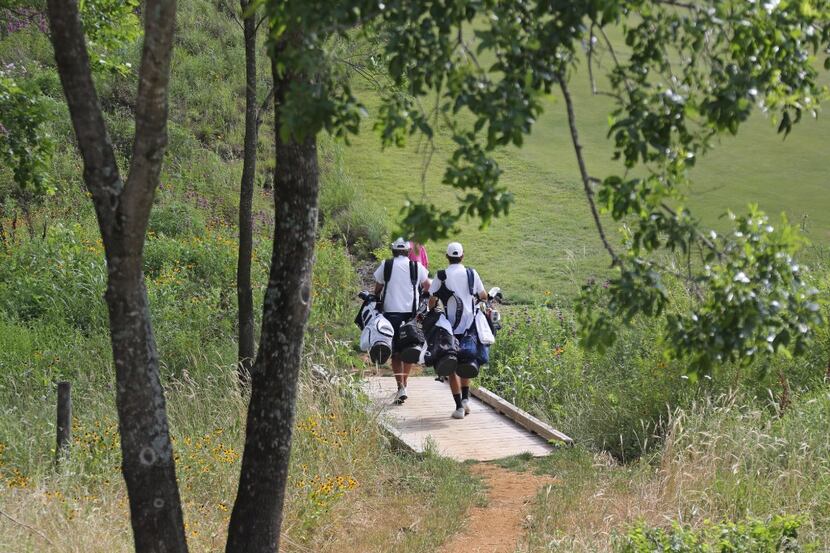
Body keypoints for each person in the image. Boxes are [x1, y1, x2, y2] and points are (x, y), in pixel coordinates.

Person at [428, 241, 488, 419]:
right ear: (462, 256)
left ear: (447, 257)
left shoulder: (441, 275)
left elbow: (432, 299)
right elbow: (483, 295)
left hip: (449, 328)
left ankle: (459, 406)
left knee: (451, 364)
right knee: (466, 361)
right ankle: (466, 400)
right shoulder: (471, 273)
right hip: (470, 326)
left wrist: (433, 310)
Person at [374, 238, 430, 404]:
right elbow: (427, 286)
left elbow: (377, 288)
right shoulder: (416, 267)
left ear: (393, 250)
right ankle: (404, 384)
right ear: (407, 251)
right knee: (410, 350)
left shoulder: (386, 265)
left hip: (390, 315)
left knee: (396, 354)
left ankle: (400, 386)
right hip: (411, 316)